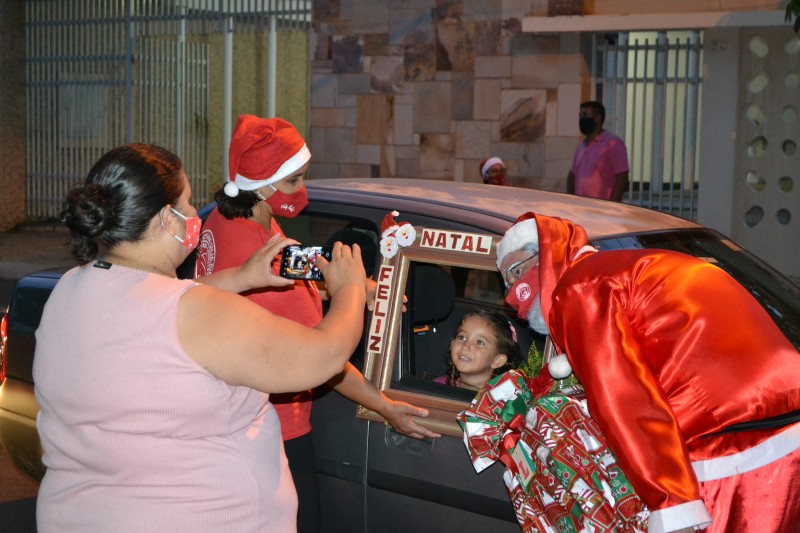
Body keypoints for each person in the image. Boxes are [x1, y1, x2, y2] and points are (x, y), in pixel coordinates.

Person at [33, 143, 368, 532]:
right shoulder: (197, 313)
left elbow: (151, 303)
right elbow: (322, 358)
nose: (195, 215)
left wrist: (241, 278)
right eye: (187, 204)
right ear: (164, 219)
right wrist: (350, 290)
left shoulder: (72, 288)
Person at [195, 114, 440, 533]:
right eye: (293, 181)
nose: (301, 191)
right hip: (276, 424)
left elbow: (288, 279)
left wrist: (358, 285)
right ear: (263, 183)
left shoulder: (230, 218)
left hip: (231, 410)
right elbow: (325, 358)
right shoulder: (256, 246)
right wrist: (385, 407)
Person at [494, 211, 800, 533]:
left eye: (515, 274)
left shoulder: (580, 289)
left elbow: (627, 402)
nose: (512, 293)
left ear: (543, 253)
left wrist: (673, 504)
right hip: (782, 426)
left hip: (735, 449)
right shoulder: (629, 267)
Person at [434, 309, 519, 391]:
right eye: (461, 337)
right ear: (452, 344)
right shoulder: (438, 387)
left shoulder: (501, 402)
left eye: (479, 342)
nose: (465, 346)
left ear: (497, 360)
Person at [566, 101, 629, 201]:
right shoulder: (581, 146)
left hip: (602, 209)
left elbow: (622, 177)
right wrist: (569, 199)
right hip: (580, 207)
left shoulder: (613, 144)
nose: (582, 119)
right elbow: (572, 174)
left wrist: (612, 204)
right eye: (581, 115)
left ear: (598, 118)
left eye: (585, 115)